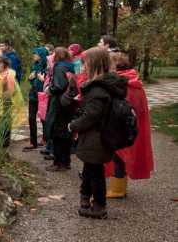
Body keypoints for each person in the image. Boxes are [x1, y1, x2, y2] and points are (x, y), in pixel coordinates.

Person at [69, 47, 127, 219]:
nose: (82, 66)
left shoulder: (98, 90)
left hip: (96, 137)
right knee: (89, 169)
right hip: (95, 136)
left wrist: (73, 125)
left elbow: (92, 116)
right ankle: (85, 199)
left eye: (84, 63)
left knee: (95, 173)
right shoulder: (101, 86)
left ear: (93, 64)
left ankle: (99, 206)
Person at [104, 52, 154, 198]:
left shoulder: (123, 82)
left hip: (122, 126)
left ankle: (117, 190)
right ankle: (120, 187)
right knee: (120, 156)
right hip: (130, 124)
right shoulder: (132, 79)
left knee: (118, 156)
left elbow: (123, 106)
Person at [43, 47, 75, 172]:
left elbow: (59, 85)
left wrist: (49, 89)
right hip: (69, 102)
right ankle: (66, 161)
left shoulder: (59, 67)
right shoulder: (71, 65)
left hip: (59, 103)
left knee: (57, 133)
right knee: (66, 133)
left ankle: (58, 163)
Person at [23, 47, 48, 151]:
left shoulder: (48, 66)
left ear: (41, 55)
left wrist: (43, 79)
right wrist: (30, 78)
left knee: (43, 119)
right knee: (31, 118)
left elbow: (48, 82)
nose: (34, 55)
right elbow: (32, 80)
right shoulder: (35, 65)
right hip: (33, 94)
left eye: (36, 53)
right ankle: (33, 142)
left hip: (43, 96)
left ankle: (46, 140)